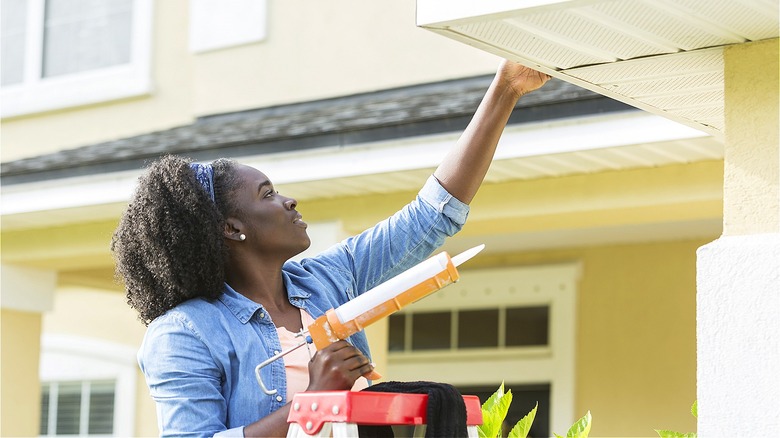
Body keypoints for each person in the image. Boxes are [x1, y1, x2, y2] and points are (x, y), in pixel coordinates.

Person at [111, 60, 550, 437]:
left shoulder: (328, 281)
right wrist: (313, 404)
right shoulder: (184, 333)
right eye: (267, 195)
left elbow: (431, 216)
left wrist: (507, 88)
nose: (289, 201)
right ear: (231, 228)